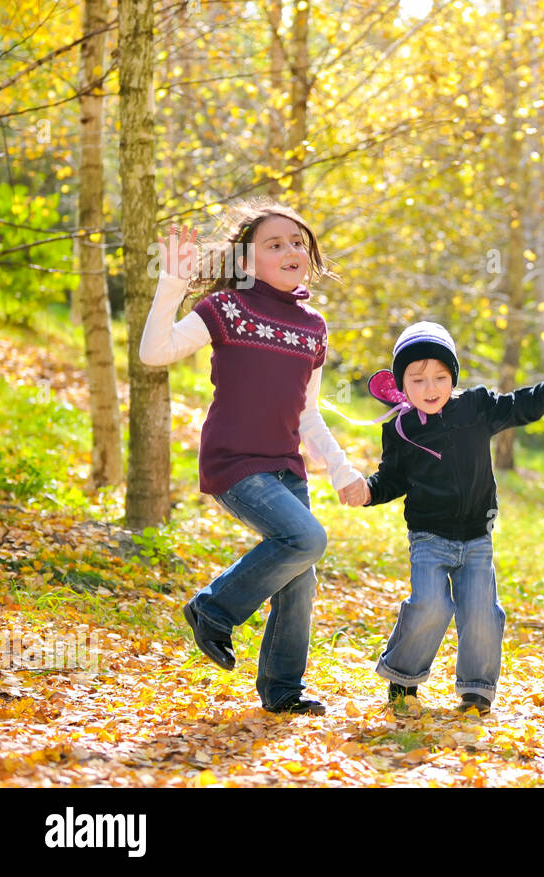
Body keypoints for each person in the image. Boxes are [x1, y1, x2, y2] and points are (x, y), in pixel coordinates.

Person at [140, 201, 369, 716]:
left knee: (300, 576)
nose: (291, 250)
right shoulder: (228, 308)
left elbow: (307, 413)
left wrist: (342, 468)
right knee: (306, 539)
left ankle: (283, 690)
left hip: (286, 466)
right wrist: (171, 285)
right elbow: (155, 353)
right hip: (235, 462)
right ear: (246, 262)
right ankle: (213, 609)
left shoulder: (313, 325)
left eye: (296, 242)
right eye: (275, 244)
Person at [361, 322, 544, 716]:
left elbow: (516, 406)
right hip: (428, 537)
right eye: (418, 379)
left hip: (477, 537)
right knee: (430, 604)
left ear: (453, 378)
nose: (431, 388)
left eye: (441, 377)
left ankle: (476, 690)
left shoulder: (474, 408)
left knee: (481, 613)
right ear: (402, 385)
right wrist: (369, 491)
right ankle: (402, 678)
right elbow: (393, 477)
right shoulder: (401, 428)